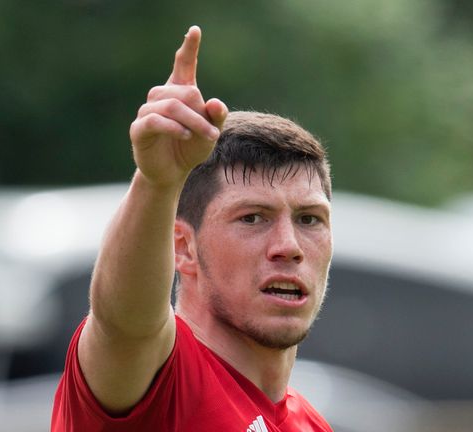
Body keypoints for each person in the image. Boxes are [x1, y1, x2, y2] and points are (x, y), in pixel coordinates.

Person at [51, 25, 334, 432]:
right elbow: (123, 323)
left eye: (309, 219)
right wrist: (157, 182)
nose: (288, 246)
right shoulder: (163, 382)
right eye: (252, 218)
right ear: (182, 247)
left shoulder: (311, 424)